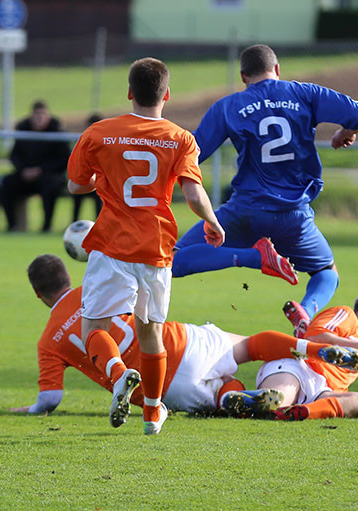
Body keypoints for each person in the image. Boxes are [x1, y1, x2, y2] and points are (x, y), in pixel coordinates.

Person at [66, 57, 225, 435]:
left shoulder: (100, 133)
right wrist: (212, 221)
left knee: (94, 329)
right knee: (150, 330)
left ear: (129, 93)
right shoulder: (180, 138)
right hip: (155, 250)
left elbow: (76, 185)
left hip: (110, 247)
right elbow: (193, 191)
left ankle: (118, 372)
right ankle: (153, 412)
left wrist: (105, 179)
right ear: (167, 94)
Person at [9, 254, 358, 417]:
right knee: (249, 346)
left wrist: (31, 409)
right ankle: (312, 348)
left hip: (162, 388)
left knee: (221, 392)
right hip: (178, 343)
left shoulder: (48, 341)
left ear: (39, 295)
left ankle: (238, 397)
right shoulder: (94, 286)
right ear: (68, 280)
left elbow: (51, 399)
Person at [171, 44, 358, 338]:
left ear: (243, 76)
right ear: (277, 70)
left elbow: (192, 156)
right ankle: (306, 310)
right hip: (294, 216)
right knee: (327, 272)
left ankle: (252, 258)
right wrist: (348, 131)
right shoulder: (305, 93)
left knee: (175, 260)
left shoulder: (229, 106)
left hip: (246, 212)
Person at [223, 288, 358, 421]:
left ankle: (300, 412)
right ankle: (241, 399)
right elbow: (313, 337)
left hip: (319, 390)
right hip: (298, 367)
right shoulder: (347, 315)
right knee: (277, 398)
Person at [0, 100, 71, 232]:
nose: (40, 118)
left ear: (48, 116)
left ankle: (46, 226)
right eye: (37, 114)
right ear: (31, 116)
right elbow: (14, 155)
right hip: (25, 174)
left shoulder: (57, 131)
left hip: (49, 175)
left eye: (42, 114)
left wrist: (41, 170)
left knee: (50, 185)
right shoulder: (23, 130)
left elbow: (64, 159)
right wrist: (23, 170)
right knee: (5, 183)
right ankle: (12, 226)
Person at [71, 114, 104, 223]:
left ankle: (99, 222)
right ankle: (74, 220)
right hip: (87, 179)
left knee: (97, 193)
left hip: (98, 181)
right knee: (78, 190)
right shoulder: (86, 142)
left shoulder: (100, 144)